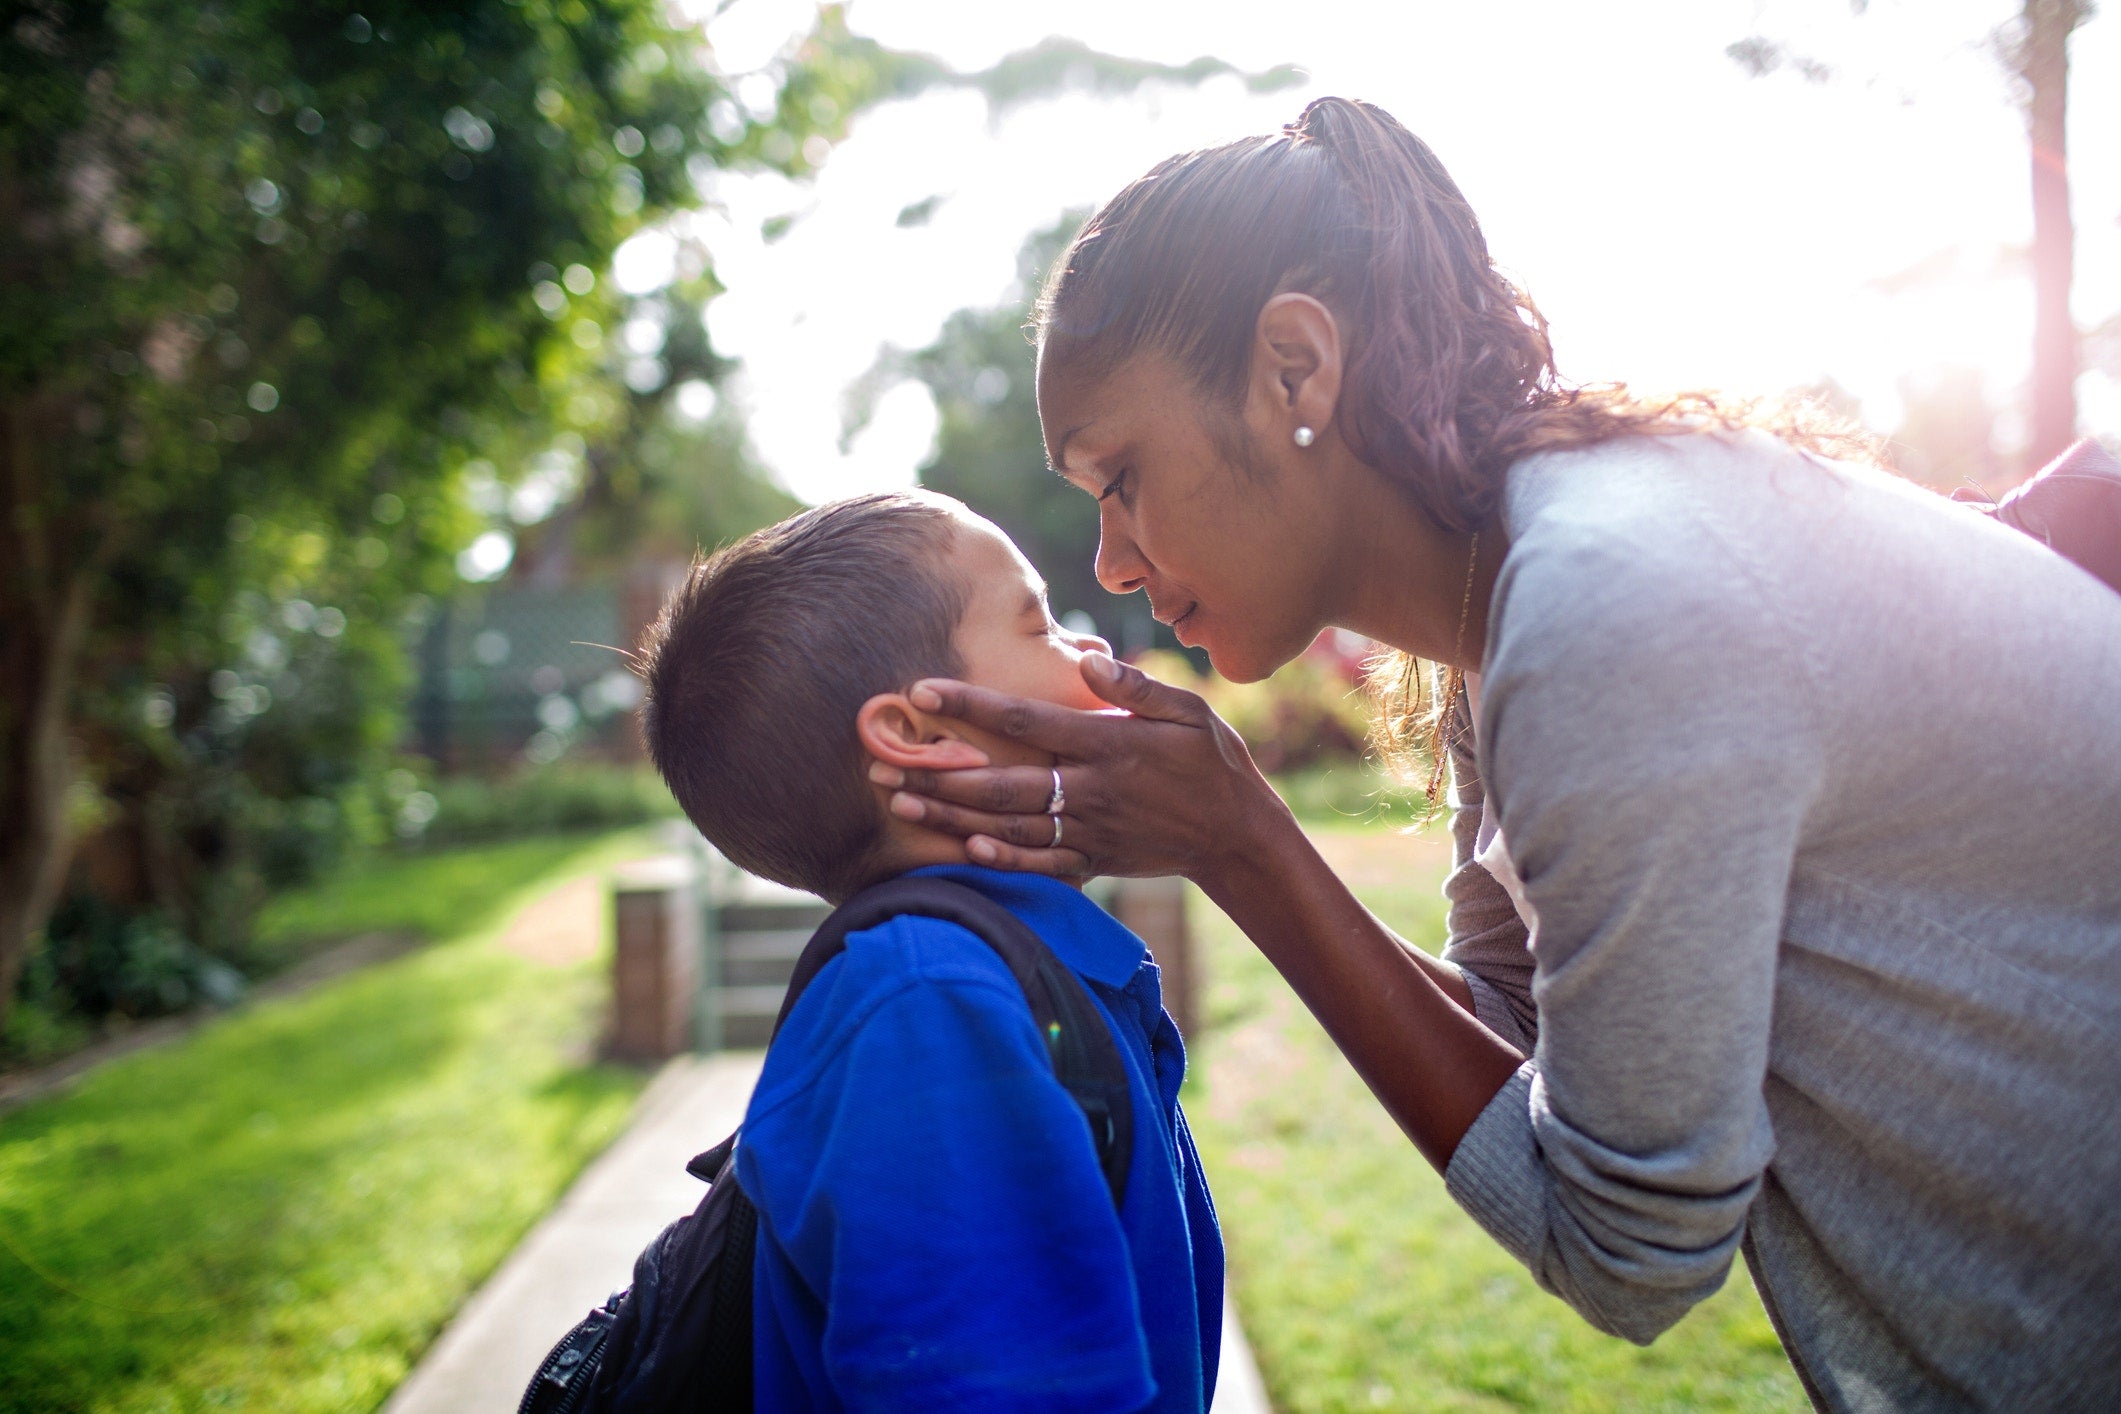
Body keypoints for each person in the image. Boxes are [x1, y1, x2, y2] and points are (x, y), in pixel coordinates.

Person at [871, 97, 2121, 1411]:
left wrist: (1246, 848)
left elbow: (1632, 1248)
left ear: (1296, 367)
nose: (1113, 563)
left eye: (1119, 474)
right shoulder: (1510, 597)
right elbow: (1522, 1039)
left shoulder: (1608, 604)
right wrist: (1238, 843)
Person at [634, 490, 1223, 1412]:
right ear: (920, 735)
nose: (1094, 648)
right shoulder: (929, 1011)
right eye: (1041, 626)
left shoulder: (992, 973)